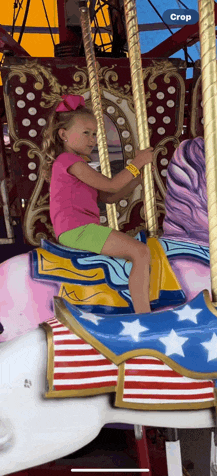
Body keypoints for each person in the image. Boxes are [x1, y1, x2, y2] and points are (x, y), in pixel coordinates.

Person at [41, 94, 153, 314]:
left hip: (79, 229)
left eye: (94, 134)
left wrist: (137, 179)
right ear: (63, 134)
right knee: (140, 252)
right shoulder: (68, 161)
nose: (93, 140)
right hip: (77, 230)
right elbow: (111, 186)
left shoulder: (78, 164)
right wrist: (135, 164)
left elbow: (107, 198)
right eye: (86, 133)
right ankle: (144, 316)